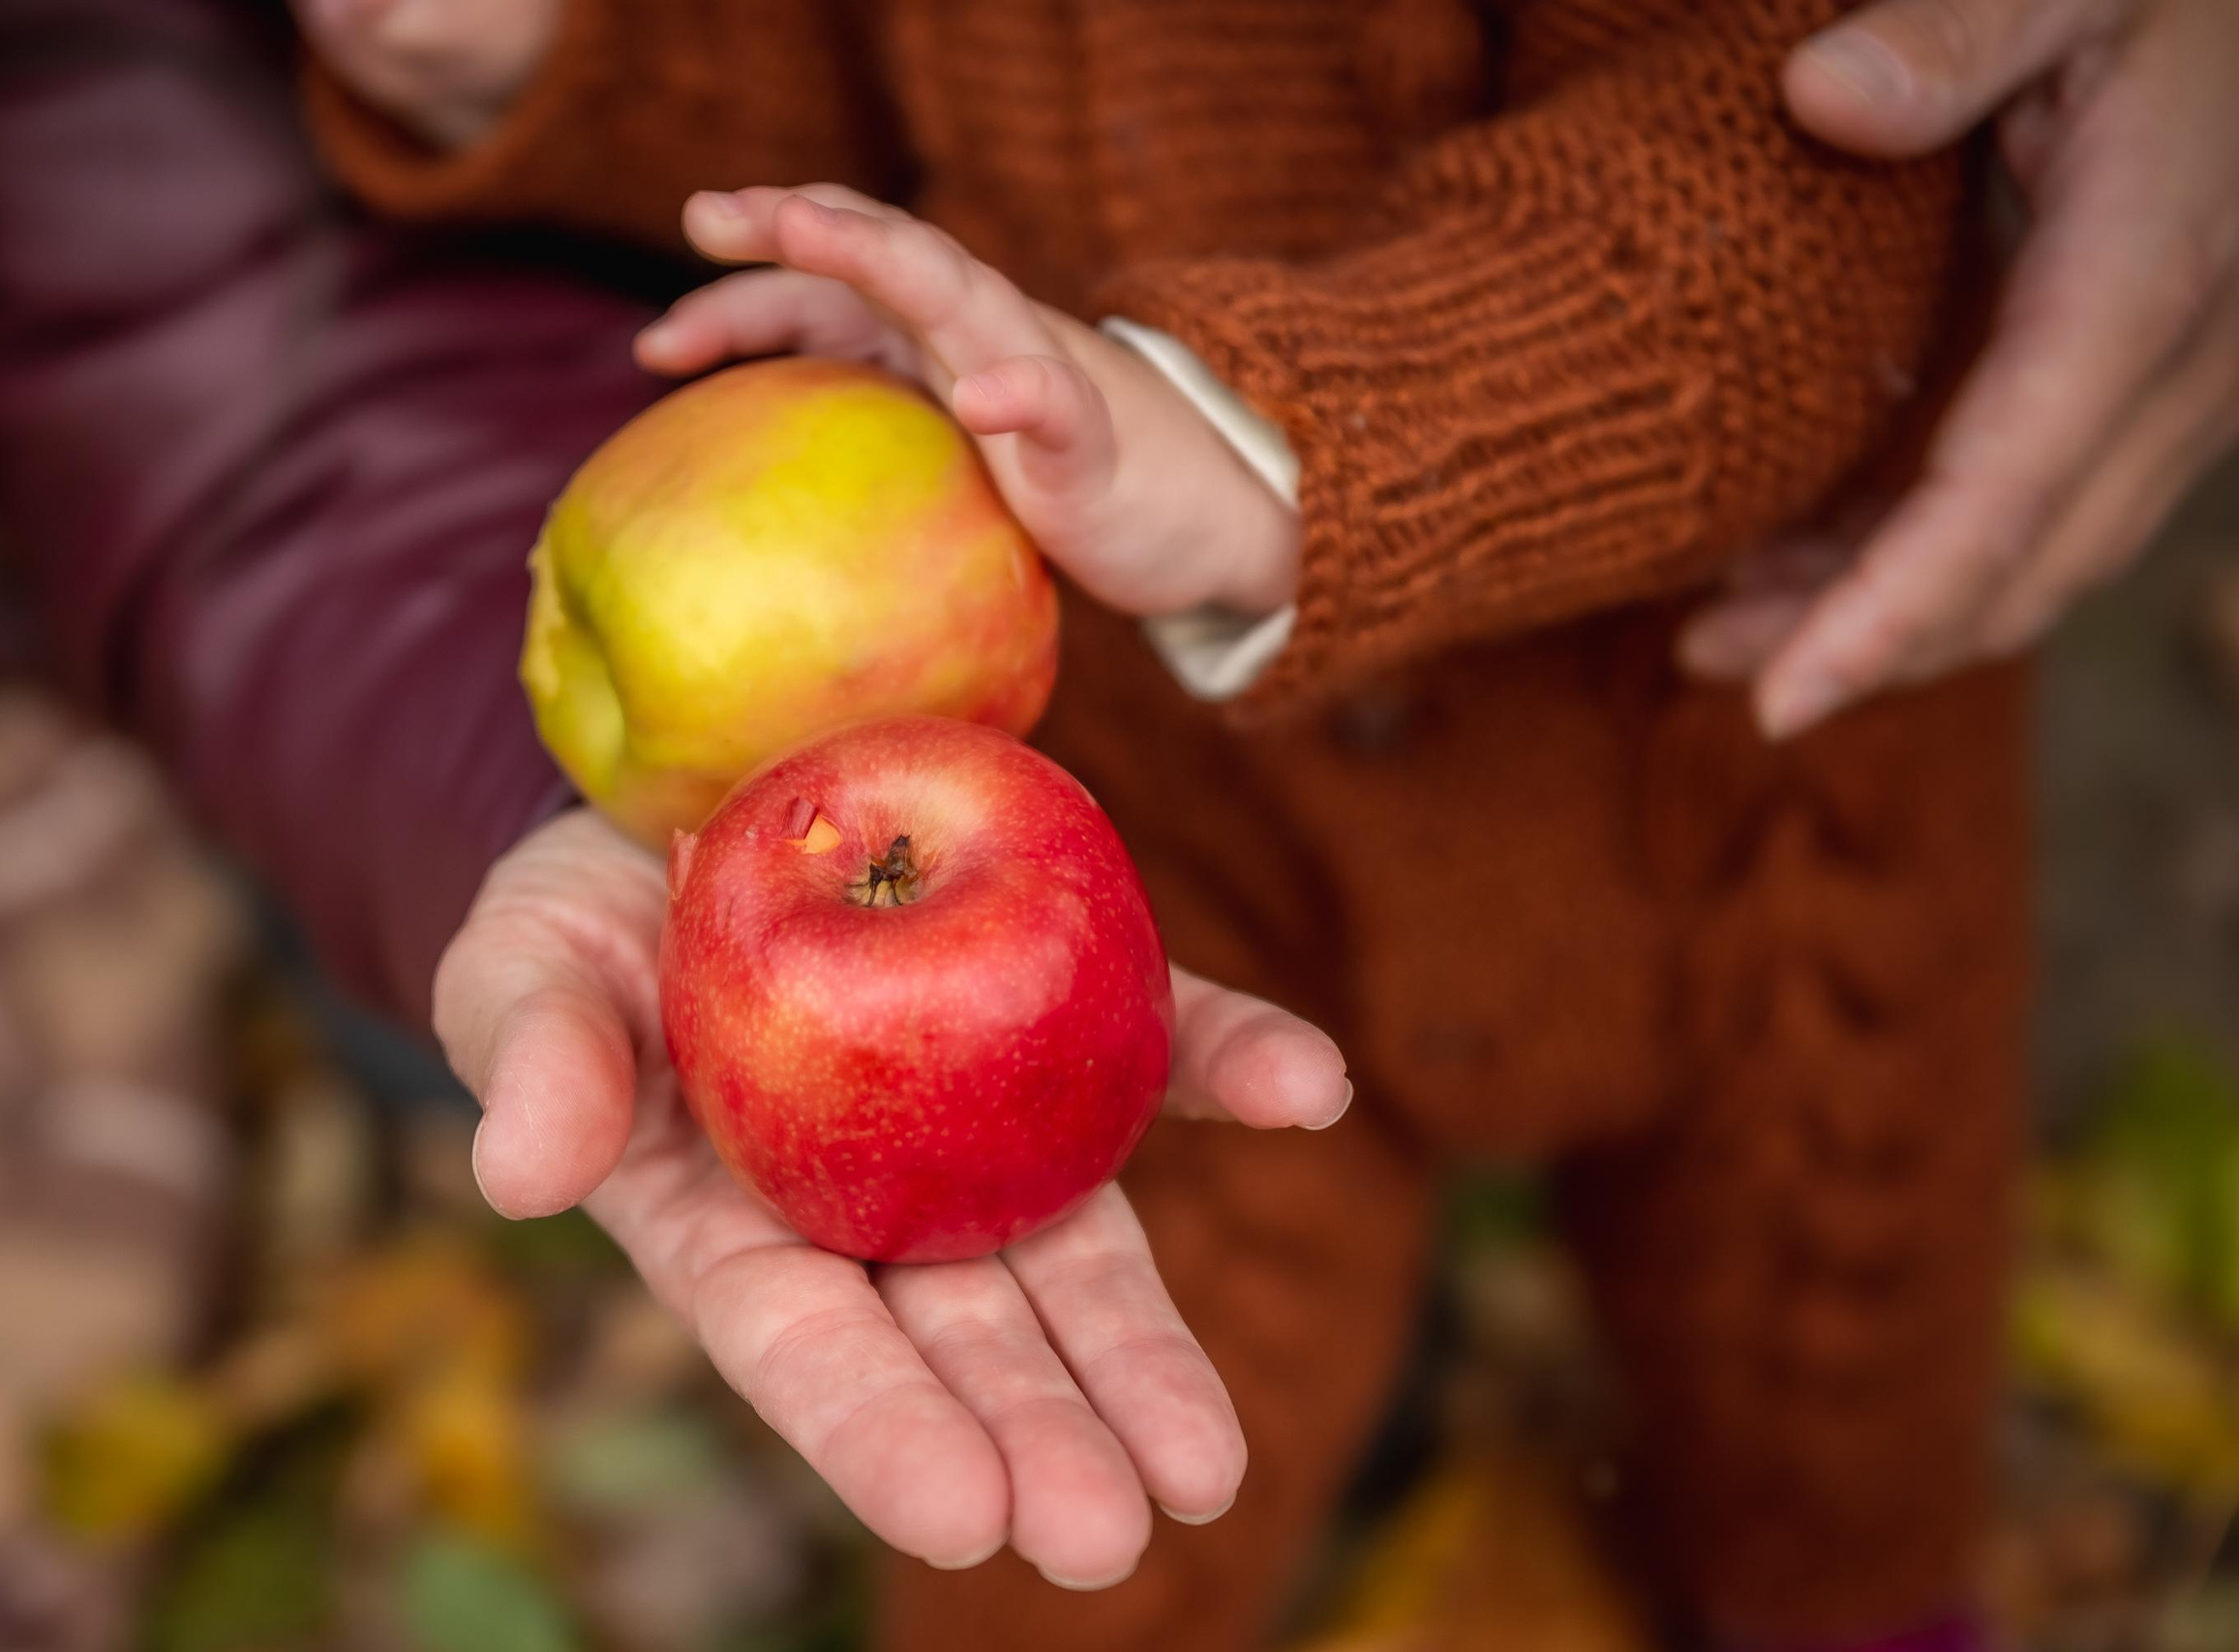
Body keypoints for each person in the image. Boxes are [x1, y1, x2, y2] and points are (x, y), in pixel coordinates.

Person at [289, 0, 2239, 1647]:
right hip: (1144, 835)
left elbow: (1796, 199)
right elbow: (846, 61)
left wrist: (1252, 442)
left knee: (1823, 1356)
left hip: (1737, 803)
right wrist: (575, 55)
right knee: (1076, 1453)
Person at [0, 0, 1347, 1632]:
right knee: (490, 1047)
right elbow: (190, 372)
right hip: (496, 651)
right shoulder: (22, 115)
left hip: (803, 544)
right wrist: (517, 802)